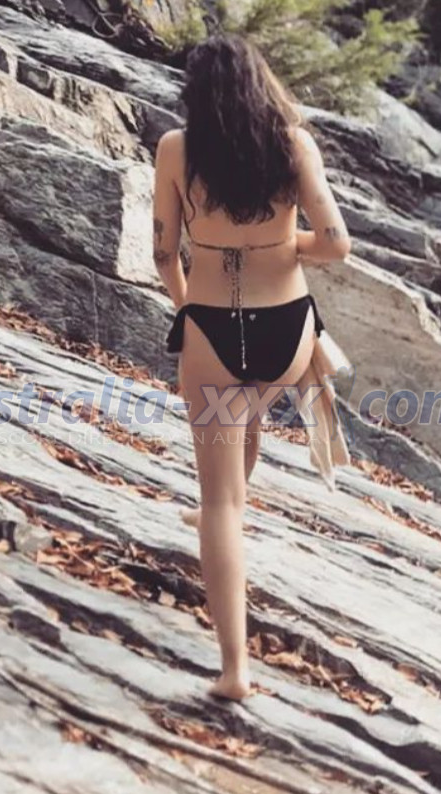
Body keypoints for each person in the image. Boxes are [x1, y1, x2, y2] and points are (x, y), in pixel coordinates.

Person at [151, 33, 352, 700]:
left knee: (219, 504)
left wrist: (189, 308)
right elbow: (336, 245)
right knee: (250, 407)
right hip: (286, 332)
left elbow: (162, 254)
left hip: (213, 326)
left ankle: (235, 669)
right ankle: (230, 506)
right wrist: (281, 243)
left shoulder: (176, 149)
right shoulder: (293, 145)